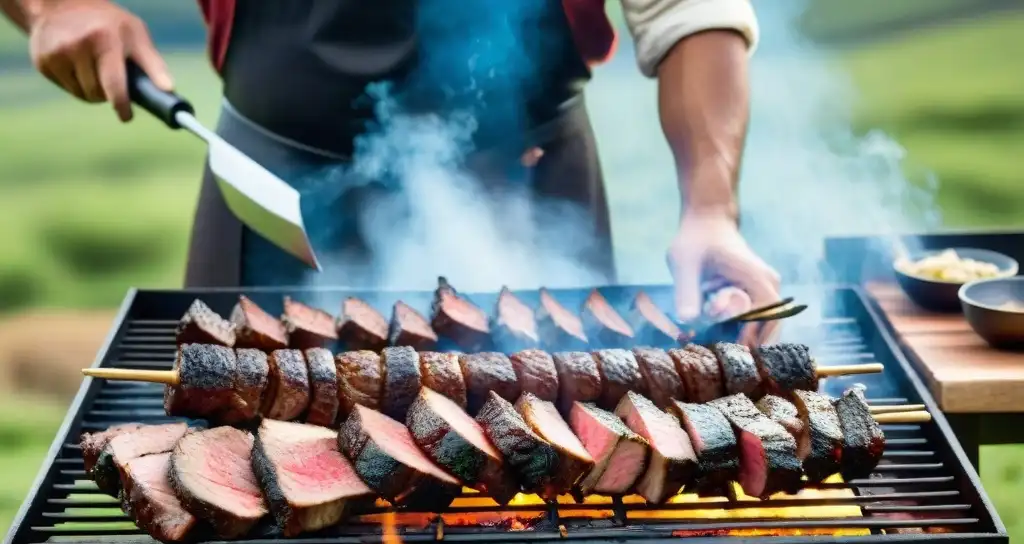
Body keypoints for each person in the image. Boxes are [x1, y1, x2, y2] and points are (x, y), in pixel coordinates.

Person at [2, 0, 780, 337]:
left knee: (557, 543)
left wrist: (711, 209)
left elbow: (689, 13)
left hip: (529, 192)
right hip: (270, 201)